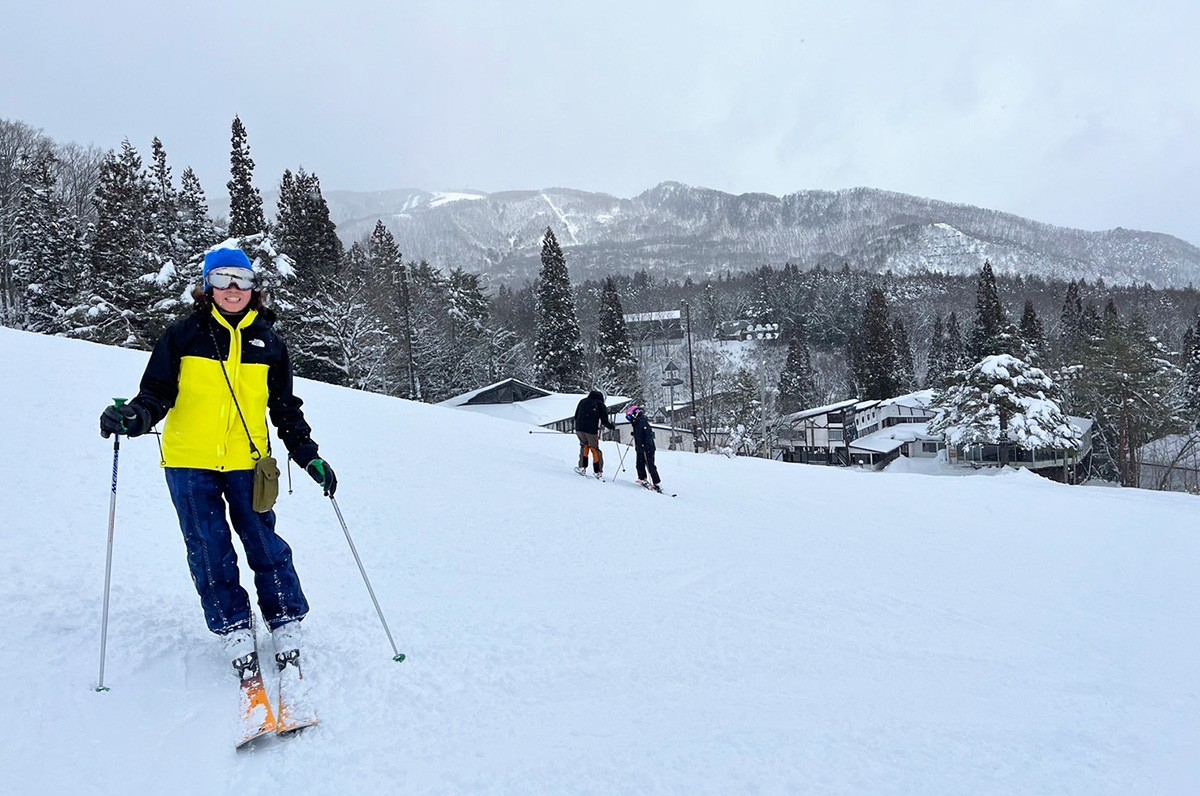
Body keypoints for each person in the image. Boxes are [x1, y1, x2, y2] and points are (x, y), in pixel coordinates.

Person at [98, 247, 337, 680]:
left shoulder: (269, 342)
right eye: (223, 279)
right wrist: (134, 418)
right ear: (207, 285)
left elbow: (285, 408)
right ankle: (233, 627)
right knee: (208, 547)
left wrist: (308, 455)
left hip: (249, 462)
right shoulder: (182, 336)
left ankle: (284, 619)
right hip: (190, 462)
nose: (233, 289)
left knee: (264, 542)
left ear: (253, 288)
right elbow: (155, 394)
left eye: (242, 280)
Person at [573, 388, 615, 479]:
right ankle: (598, 471)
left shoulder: (582, 401)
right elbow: (604, 420)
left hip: (579, 429)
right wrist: (611, 426)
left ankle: (582, 467)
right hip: (591, 430)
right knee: (595, 449)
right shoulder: (600, 404)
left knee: (584, 446)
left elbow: (576, 416)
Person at [626, 405, 663, 492]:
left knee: (650, 465)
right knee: (639, 463)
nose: (629, 420)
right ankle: (642, 478)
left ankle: (657, 483)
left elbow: (647, 434)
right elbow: (639, 433)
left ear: (635, 414)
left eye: (629, 417)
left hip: (647, 447)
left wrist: (645, 444)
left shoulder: (642, 422)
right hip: (640, 447)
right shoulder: (637, 422)